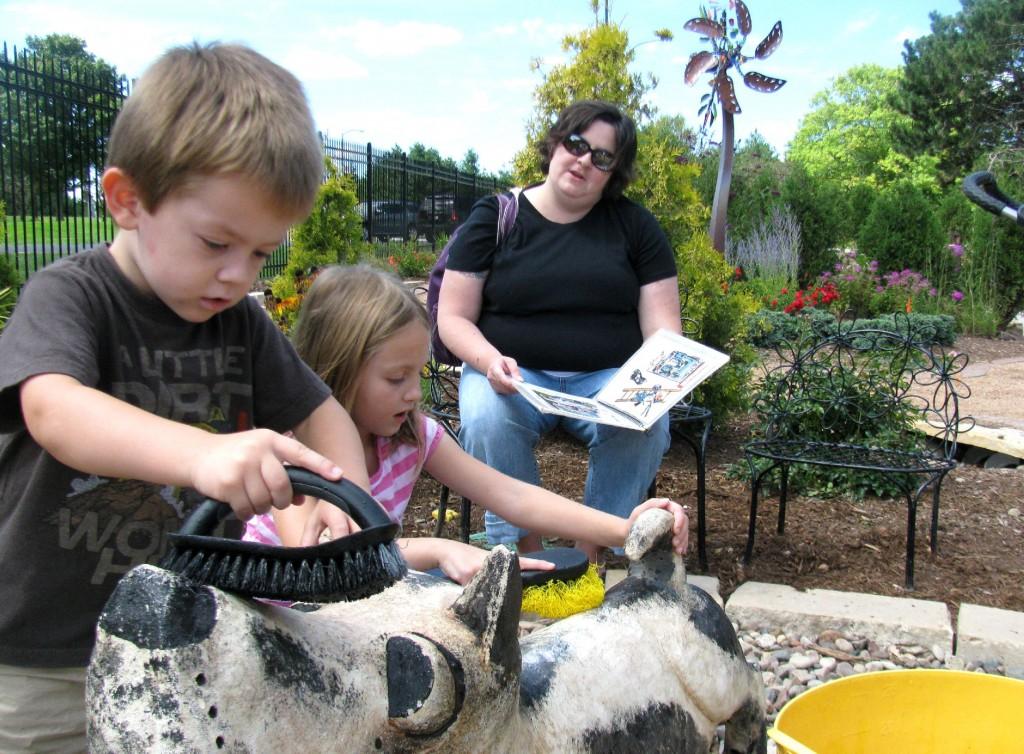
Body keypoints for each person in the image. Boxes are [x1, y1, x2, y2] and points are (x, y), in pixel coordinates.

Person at [0, 43, 369, 751]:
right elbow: (53, 409)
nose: (237, 275)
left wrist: (333, 495)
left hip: (186, 645)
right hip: (44, 659)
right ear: (127, 199)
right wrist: (203, 455)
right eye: (215, 242)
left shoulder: (241, 325)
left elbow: (322, 417)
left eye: (262, 253)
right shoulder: (70, 296)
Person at [246, 264, 689, 583]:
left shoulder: (413, 436)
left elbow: (510, 494)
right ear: (338, 370)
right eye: (395, 378)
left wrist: (625, 528)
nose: (415, 393)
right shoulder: (298, 452)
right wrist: (439, 549)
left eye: (417, 374)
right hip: (285, 622)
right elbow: (323, 563)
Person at [436, 100, 682, 560]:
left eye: (603, 156)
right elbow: (452, 317)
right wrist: (490, 361)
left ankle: (587, 557)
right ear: (554, 144)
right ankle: (525, 555)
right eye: (576, 144)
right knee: (487, 416)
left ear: (614, 172)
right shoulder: (495, 218)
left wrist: (651, 384)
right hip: (511, 374)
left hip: (603, 380)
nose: (585, 160)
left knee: (646, 421)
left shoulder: (636, 228)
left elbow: (664, 332)